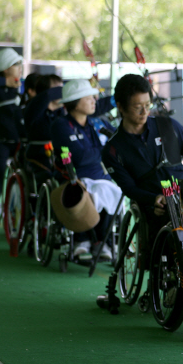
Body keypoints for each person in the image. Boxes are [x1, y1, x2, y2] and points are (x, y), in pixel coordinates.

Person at [102, 74, 183, 251]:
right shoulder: (113, 149)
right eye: (137, 107)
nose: (144, 112)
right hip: (154, 206)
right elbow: (129, 188)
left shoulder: (169, 125)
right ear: (120, 107)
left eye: (148, 105)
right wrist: (153, 199)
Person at [50, 79, 121, 260]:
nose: (94, 101)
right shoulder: (61, 125)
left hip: (100, 176)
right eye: (88, 97)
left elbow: (119, 142)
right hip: (74, 178)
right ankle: (87, 240)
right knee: (101, 190)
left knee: (110, 189)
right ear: (75, 102)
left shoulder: (97, 123)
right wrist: (105, 151)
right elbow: (79, 158)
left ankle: (102, 242)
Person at [0, 48, 24, 229]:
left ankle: (25, 217)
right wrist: (5, 81)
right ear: (5, 68)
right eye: (15, 64)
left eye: (20, 64)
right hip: (1, 141)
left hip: (21, 141)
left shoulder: (23, 84)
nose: (20, 68)